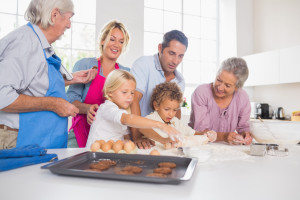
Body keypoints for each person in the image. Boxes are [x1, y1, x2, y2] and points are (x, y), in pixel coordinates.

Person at [0, 0, 97, 149]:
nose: (69, 25)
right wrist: (54, 104)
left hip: (37, 141)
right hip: (17, 141)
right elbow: (3, 96)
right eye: (69, 18)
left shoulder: (40, 43)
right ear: (54, 15)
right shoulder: (25, 43)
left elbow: (34, 82)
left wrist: (71, 79)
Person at [66, 20, 130, 148]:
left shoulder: (125, 73)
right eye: (112, 39)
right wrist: (88, 108)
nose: (116, 45)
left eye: (121, 42)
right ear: (102, 40)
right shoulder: (85, 65)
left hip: (111, 136)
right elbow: (71, 99)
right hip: (82, 131)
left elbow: (128, 107)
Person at [86, 70, 180, 147]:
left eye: (132, 93)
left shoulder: (122, 111)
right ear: (110, 92)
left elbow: (130, 133)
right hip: (95, 155)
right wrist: (161, 125)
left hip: (111, 156)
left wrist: (162, 140)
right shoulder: (107, 108)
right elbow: (128, 119)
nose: (130, 97)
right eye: (124, 92)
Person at [130, 30, 188, 149]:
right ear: (160, 48)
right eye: (171, 53)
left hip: (161, 140)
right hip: (136, 136)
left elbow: (175, 111)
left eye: (180, 56)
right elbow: (133, 99)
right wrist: (137, 136)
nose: (175, 61)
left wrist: (174, 136)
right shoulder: (143, 64)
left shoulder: (180, 81)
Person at [189, 57, 253, 145]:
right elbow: (200, 131)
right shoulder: (201, 92)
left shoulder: (243, 97)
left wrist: (245, 135)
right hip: (199, 146)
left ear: (237, 87)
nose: (220, 87)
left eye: (227, 85)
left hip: (226, 148)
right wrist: (223, 136)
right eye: (218, 80)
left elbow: (243, 127)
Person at [138, 82, 217, 147]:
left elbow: (192, 133)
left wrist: (205, 134)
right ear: (156, 106)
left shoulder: (175, 122)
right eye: (167, 109)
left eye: (175, 110)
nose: (171, 114)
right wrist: (163, 139)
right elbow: (141, 127)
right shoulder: (152, 118)